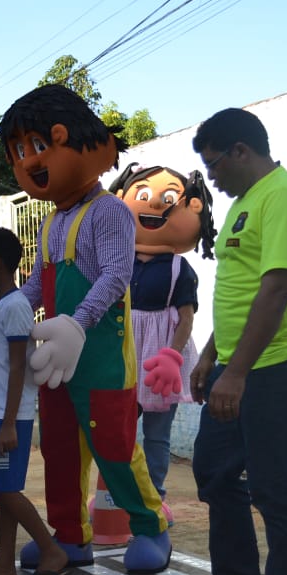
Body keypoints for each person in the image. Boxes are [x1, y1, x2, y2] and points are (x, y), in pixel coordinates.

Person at [169, 108, 287, 575]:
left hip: (280, 366)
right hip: (238, 367)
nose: (209, 178)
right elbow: (239, 295)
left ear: (241, 150)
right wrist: (210, 358)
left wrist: (235, 373)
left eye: (212, 164)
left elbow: (278, 289)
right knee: (216, 475)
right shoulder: (244, 206)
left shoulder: (285, 197)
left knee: (273, 487)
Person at [1, 84, 170, 573]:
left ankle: (151, 527)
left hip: (101, 357)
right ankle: (70, 535)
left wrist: (79, 323)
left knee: (115, 447)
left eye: (36, 146)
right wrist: (10, 310)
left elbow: (117, 274)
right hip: (56, 358)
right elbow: (38, 281)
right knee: (58, 450)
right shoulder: (52, 221)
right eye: (18, 153)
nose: (28, 161)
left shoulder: (110, 211)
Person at [0, 229, 70, 575]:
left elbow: (18, 366)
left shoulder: (17, 306)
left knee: (5, 489)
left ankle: (51, 550)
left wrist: (8, 422)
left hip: (12, 418)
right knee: (0, 486)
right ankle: (4, 562)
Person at [108, 163, 216, 518]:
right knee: (117, 430)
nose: (154, 204)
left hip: (160, 358)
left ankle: (154, 497)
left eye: (167, 199)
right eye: (143, 196)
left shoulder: (178, 269)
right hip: (123, 353)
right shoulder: (117, 260)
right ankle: (120, 496)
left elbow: (186, 317)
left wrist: (172, 355)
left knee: (156, 435)